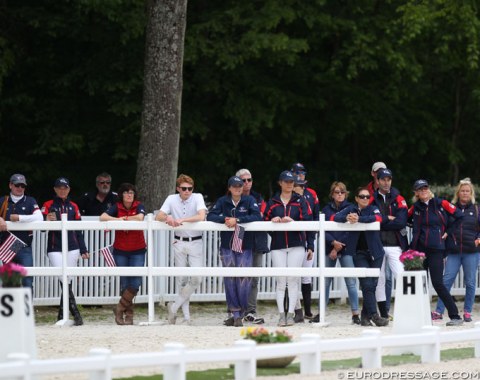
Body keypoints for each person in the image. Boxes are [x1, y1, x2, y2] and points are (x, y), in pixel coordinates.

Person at [207, 175, 262, 327]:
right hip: (227, 245)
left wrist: (237, 220)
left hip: (245, 245)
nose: (238, 188)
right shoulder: (222, 201)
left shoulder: (249, 201)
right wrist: (225, 220)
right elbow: (210, 216)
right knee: (230, 279)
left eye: (240, 185)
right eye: (235, 186)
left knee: (244, 279)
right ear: (229, 188)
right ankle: (235, 313)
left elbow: (257, 216)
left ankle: (241, 312)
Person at [408, 179, 464, 326]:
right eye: (420, 189)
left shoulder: (441, 203)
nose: (423, 191)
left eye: (425, 188)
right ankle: (421, 317)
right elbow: (405, 220)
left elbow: (459, 216)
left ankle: (455, 316)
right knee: (419, 283)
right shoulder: (415, 208)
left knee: (438, 283)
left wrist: (448, 232)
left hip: (436, 250)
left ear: (429, 189)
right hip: (419, 251)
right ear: (416, 193)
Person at [263, 170, 314, 327]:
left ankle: (290, 314)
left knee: (292, 280)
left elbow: (308, 220)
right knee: (280, 280)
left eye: (291, 182)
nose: (289, 184)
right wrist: (273, 222)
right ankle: (281, 315)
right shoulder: (272, 202)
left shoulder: (301, 201)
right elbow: (264, 220)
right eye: (286, 181)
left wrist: (293, 221)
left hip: (296, 244)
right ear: (280, 183)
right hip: (278, 245)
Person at [156, 174, 207, 325]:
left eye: (189, 188)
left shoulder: (197, 197)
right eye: (184, 188)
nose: (187, 191)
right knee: (181, 279)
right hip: (178, 241)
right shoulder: (172, 198)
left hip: (195, 241)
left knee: (197, 278)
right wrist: (168, 218)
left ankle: (174, 306)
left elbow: (201, 215)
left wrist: (182, 220)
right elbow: (159, 215)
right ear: (178, 188)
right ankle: (186, 317)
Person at [334, 187, 389, 327]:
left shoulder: (374, 208)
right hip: (359, 253)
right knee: (367, 284)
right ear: (356, 198)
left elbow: (378, 218)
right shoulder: (350, 209)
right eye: (362, 196)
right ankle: (375, 316)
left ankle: (365, 318)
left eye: (367, 196)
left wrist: (359, 219)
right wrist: (347, 218)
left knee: (372, 285)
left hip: (376, 252)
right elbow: (333, 217)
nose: (365, 198)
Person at [41, 177, 89, 326]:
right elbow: (41, 229)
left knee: (67, 280)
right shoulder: (47, 205)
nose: (62, 190)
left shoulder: (74, 206)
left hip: (73, 247)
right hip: (55, 247)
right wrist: (46, 220)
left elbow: (78, 230)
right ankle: (75, 313)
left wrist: (83, 249)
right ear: (55, 189)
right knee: (64, 279)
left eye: (65, 188)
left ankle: (62, 315)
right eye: (60, 188)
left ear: (69, 189)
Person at [432, 178, 480, 322]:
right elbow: (443, 225)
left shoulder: (477, 209)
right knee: (446, 281)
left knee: (470, 282)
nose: (465, 193)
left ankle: (467, 312)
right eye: (462, 191)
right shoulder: (450, 208)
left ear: (471, 193)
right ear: (458, 193)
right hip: (453, 251)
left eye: (467, 191)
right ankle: (439, 311)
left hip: (471, 251)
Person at [100, 183, 146, 325]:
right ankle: (129, 316)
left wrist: (126, 219)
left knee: (135, 282)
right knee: (125, 283)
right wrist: (119, 220)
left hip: (137, 249)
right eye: (126, 192)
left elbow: (140, 217)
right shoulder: (117, 207)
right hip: (120, 249)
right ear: (122, 195)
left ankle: (119, 308)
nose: (129, 195)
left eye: (131, 192)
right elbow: (103, 217)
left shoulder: (138, 205)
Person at [320, 181, 360, 325]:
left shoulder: (352, 208)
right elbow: (323, 229)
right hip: (330, 247)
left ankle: (355, 314)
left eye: (342, 192)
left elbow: (349, 230)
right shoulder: (326, 209)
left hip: (345, 248)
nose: (340, 194)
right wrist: (333, 243)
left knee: (350, 282)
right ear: (332, 194)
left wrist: (337, 246)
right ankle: (321, 312)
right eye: (337, 192)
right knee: (325, 281)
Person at [371, 168, 408, 319]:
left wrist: (382, 220)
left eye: (389, 179)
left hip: (394, 245)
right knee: (379, 280)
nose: (386, 182)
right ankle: (384, 313)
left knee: (402, 276)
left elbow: (401, 222)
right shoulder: (371, 199)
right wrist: (388, 219)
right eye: (383, 179)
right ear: (377, 181)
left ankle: (406, 309)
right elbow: (373, 220)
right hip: (377, 244)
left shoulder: (399, 198)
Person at [235, 168, 268, 325]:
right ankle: (237, 311)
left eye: (249, 180)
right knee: (239, 277)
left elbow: (261, 216)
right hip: (240, 239)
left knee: (254, 279)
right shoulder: (233, 199)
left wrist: (242, 218)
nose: (247, 183)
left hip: (257, 241)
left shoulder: (259, 198)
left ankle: (251, 311)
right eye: (243, 180)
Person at [0, 174, 43, 289]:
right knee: (9, 282)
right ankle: (11, 307)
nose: (19, 188)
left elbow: (39, 217)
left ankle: (27, 307)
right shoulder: (3, 201)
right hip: (7, 245)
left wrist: (20, 218)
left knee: (27, 281)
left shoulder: (30, 200)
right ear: (10, 185)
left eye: (22, 186)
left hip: (25, 246)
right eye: (17, 185)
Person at [291, 163, 320, 322]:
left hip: (307, 238)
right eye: (296, 173)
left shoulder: (312, 194)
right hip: (293, 240)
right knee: (292, 277)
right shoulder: (287, 193)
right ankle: (296, 310)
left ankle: (307, 310)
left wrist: (312, 242)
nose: (299, 175)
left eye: (301, 173)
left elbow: (315, 217)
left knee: (306, 277)